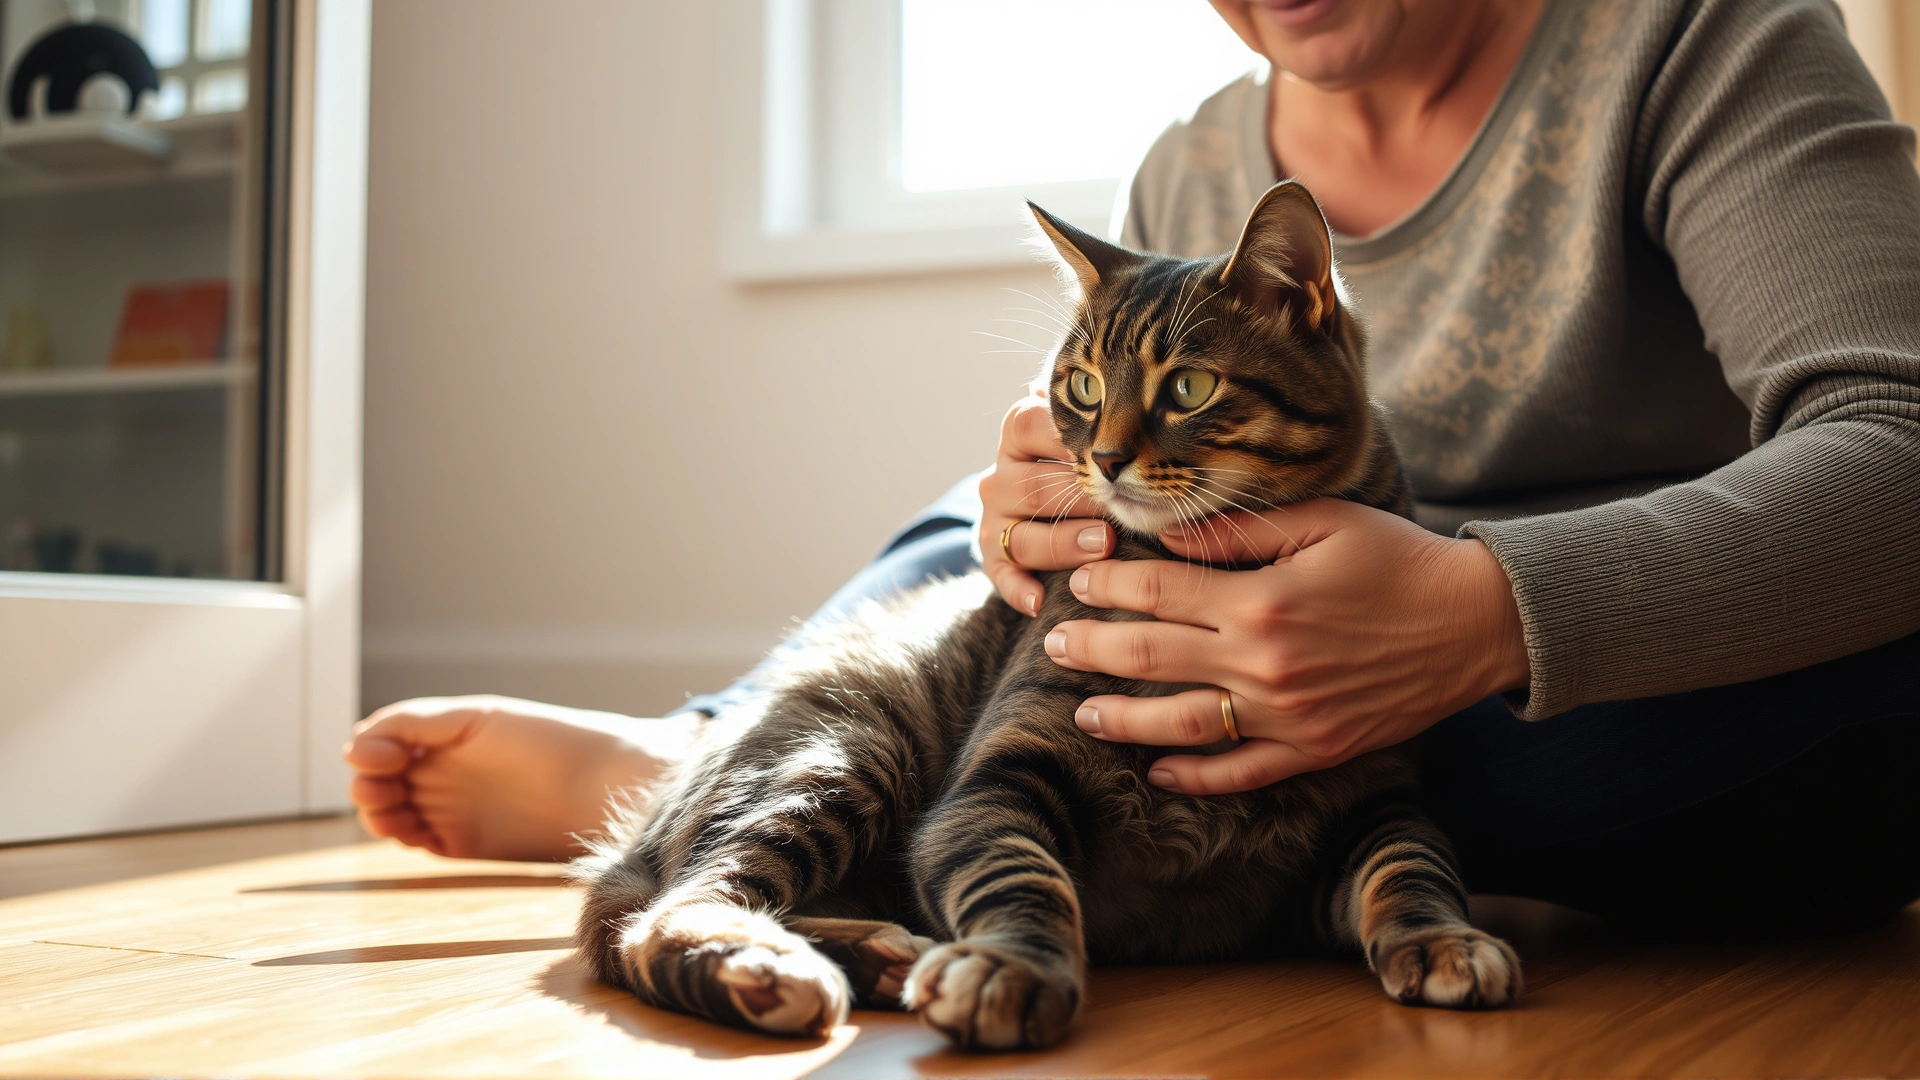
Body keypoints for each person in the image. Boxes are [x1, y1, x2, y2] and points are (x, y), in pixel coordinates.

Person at [347, 0, 1920, 930]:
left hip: (1557, 671)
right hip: (1245, 659)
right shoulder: (1197, 156)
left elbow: (1900, 450)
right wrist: (1044, 522)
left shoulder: (1700, 41)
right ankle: (717, 751)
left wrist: (1481, 614)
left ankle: (883, 811)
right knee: (949, 533)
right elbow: (1104, 466)